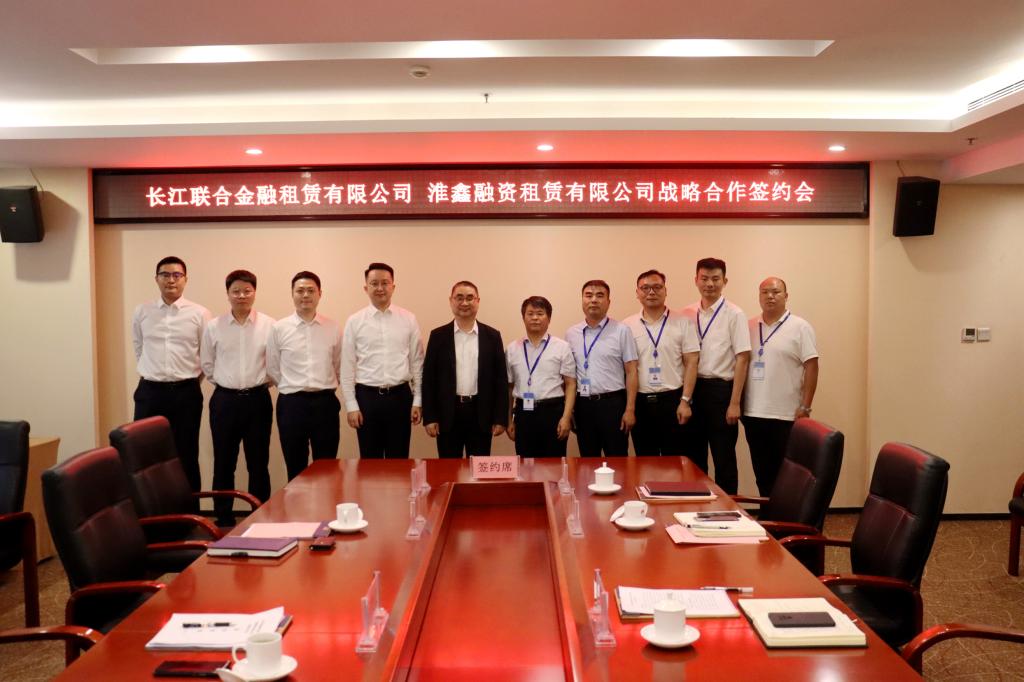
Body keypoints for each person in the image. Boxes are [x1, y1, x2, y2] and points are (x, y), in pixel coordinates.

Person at [200, 270, 274, 526]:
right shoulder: (214, 326)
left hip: (258, 400)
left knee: (258, 462)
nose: (242, 295)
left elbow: (275, 364)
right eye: (236, 291)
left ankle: (260, 516)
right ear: (228, 294)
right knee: (223, 462)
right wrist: (227, 383)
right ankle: (223, 518)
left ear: (254, 292)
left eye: (247, 291)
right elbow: (207, 364)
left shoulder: (270, 325)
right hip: (225, 401)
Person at [131, 256, 211, 492]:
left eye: (177, 275)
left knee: (186, 453)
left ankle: (189, 509)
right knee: (145, 455)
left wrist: (188, 380)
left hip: (185, 393)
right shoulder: (142, 311)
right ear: (156, 279)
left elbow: (206, 355)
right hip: (149, 392)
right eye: (165, 275)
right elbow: (139, 348)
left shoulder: (200, 313)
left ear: (185, 279)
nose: (171, 280)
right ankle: (152, 510)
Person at [742, 276, 819, 495]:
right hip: (753, 414)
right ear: (759, 296)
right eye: (765, 292)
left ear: (786, 296)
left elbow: (812, 366)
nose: (770, 296)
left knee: (785, 475)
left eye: (776, 292)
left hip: (786, 415)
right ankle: (767, 513)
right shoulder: (749, 326)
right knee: (762, 473)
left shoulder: (800, 327)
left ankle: (784, 514)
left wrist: (805, 406)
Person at [681, 258, 751, 494]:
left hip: (721, 392)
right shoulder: (687, 313)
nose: (709, 284)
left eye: (715, 279)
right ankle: (697, 505)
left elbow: (743, 358)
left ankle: (728, 509)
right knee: (694, 455)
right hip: (693, 389)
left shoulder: (735, 314)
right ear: (696, 280)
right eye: (704, 278)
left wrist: (735, 402)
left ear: (725, 281)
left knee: (724, 457)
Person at [341, 263, 424, 459]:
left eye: (385, 283)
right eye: (374, 283)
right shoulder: (354, 321)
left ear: (393, 286)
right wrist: (351, 405)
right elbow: (347, 367)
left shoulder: (408, 319)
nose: (380, 288)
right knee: (370, 461)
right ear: (366, 288)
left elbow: (417, 363)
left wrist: (417, 400)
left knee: (399, 460)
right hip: (367, 398)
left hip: (400, 397)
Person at [266, 271, 342, 480]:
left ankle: (325, 503)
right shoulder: (279, 328)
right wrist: (292, 386)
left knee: (326, 467)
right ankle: (296, 503)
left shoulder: (333, 327)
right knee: (295, 467)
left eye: (310, 290)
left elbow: (338, 364)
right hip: (292, 405)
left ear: (320, 294)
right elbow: (273, 367)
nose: (305, 295)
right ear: (292, 294)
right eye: (300, 291)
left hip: (325, 404)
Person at [422, 281, 508, 458]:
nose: (464, 303)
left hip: (481, 413)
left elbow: (500, 380)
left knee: (478, 468)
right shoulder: (438, 336)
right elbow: (429, 380)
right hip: (448, 414)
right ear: (451, 301)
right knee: (448, 468)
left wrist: (500, 418)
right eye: (459, 298)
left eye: (470, 298)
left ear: (478, 301)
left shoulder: (492, 336)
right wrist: (430, 417)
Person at [623, 270, 699, 456]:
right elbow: (628, 369)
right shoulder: (627, 326)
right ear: (637, 292)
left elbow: (692, 362)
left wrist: (685, 401)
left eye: (657, 287)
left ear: (666, 291)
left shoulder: (682, 322)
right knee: (645, 461)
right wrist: (630, 408)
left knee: (675, 462)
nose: (651, 292)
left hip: (673, 401)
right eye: (645, 288)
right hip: (641, 403)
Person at [565, 280, 638, 457]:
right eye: (588, 295)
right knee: (588, 460)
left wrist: (630, 409)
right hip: (583, 405)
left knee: (617, 459)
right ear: (582, 300)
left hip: (613, 405)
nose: (594, 300)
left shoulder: (622, 330)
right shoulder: (571, 333)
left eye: (599, 295)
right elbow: (569, 377)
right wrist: (571, 410)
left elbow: (631, 371)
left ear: (608, 302)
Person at [505, 296, 577, 456]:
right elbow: (509, 387)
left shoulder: (562, 347)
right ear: (523, 317)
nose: (535, 318)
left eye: (540, 313)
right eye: (530, 313)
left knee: (554, 463)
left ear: (549, 318)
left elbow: (571, 384)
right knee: (526, 463)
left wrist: (566, 418)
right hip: (523, 414)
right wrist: (509, 420)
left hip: (553, 412)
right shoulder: (512, 349)